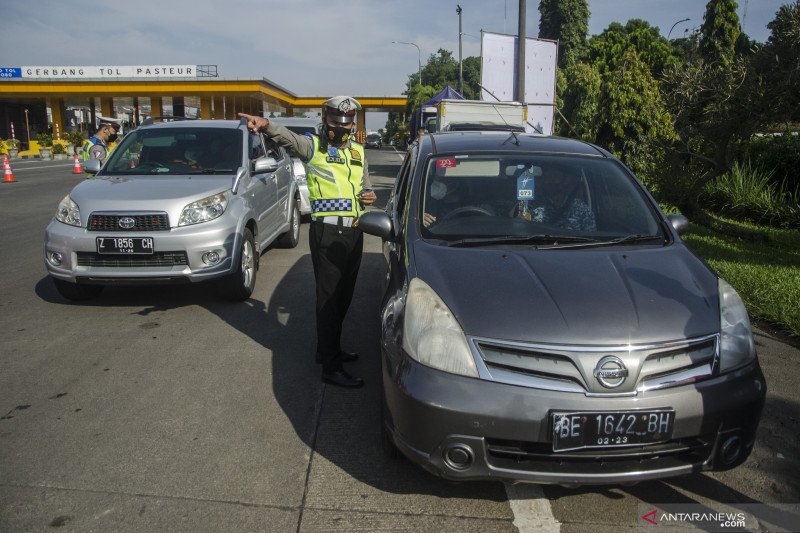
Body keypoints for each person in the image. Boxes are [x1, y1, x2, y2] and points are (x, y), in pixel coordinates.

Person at [238, 96, 377, 388]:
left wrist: (369, 197)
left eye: (346, 124)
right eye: (334, 123)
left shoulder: (358, 152)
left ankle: (330, 349)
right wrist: (265, 125)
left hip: (354, 232)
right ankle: (331, 367)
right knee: (328, 300)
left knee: (344, 298)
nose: (340, 129)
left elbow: (366, 189)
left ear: (353, 124)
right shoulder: (313, 147)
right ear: (324, 121)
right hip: (327, 234)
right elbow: (287, 138)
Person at [517, 164, 596, 231]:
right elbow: (520, 231)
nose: (548, 180)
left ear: (566, 181)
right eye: (546, 175)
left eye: (554, 176)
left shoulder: (582, 211)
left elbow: (592, 240)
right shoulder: (528, 205)